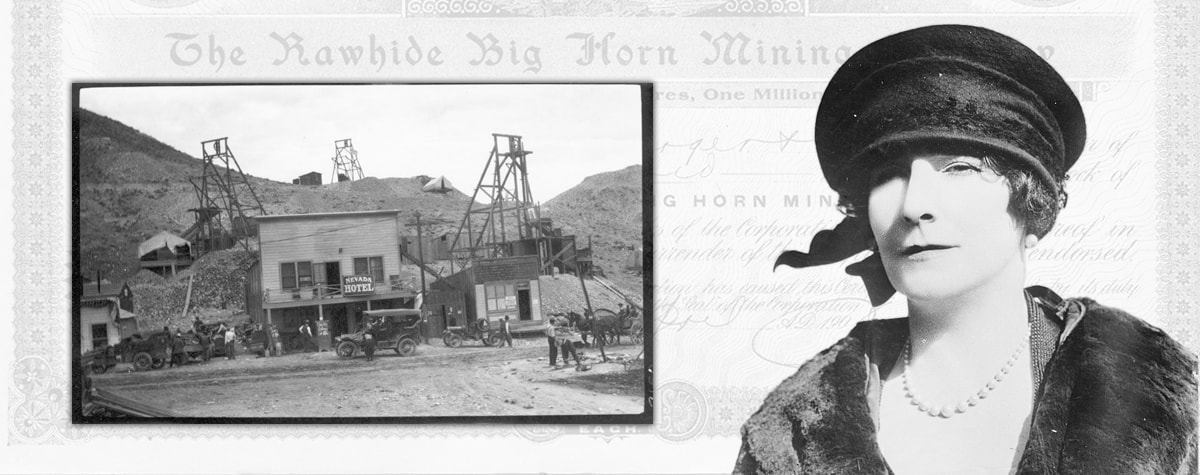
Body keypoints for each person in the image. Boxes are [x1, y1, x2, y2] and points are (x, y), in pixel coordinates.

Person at [734, 25, 1196, 474]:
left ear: (1031, 206)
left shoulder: (1164, 397)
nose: (914, 205)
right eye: (888, 175)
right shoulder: (790, 431)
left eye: (959, 167)